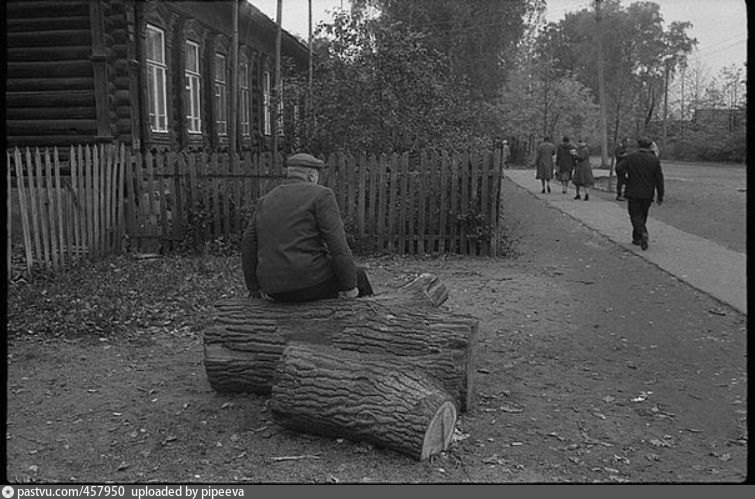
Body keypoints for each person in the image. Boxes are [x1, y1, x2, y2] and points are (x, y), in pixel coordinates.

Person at [241, 152, 373, 302]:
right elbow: (337, 243)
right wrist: (350, 287)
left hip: (272, 288)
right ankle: (364, 319)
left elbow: (248, 243)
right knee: (359, 276)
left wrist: (253, 288)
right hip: (309, 282)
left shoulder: (265, 199)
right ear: (311, 175)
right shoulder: (321, 195)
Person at [615, 137, 664, 251]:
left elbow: (618, 168)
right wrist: (660, 195)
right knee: (643, 214)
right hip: (648, 191)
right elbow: (659, 179)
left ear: (638, 146)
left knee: (634, 215)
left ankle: (642, 233)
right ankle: (637, 238)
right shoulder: (654, 160)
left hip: (633, 190)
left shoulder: (631, 157)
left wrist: (625, 180)